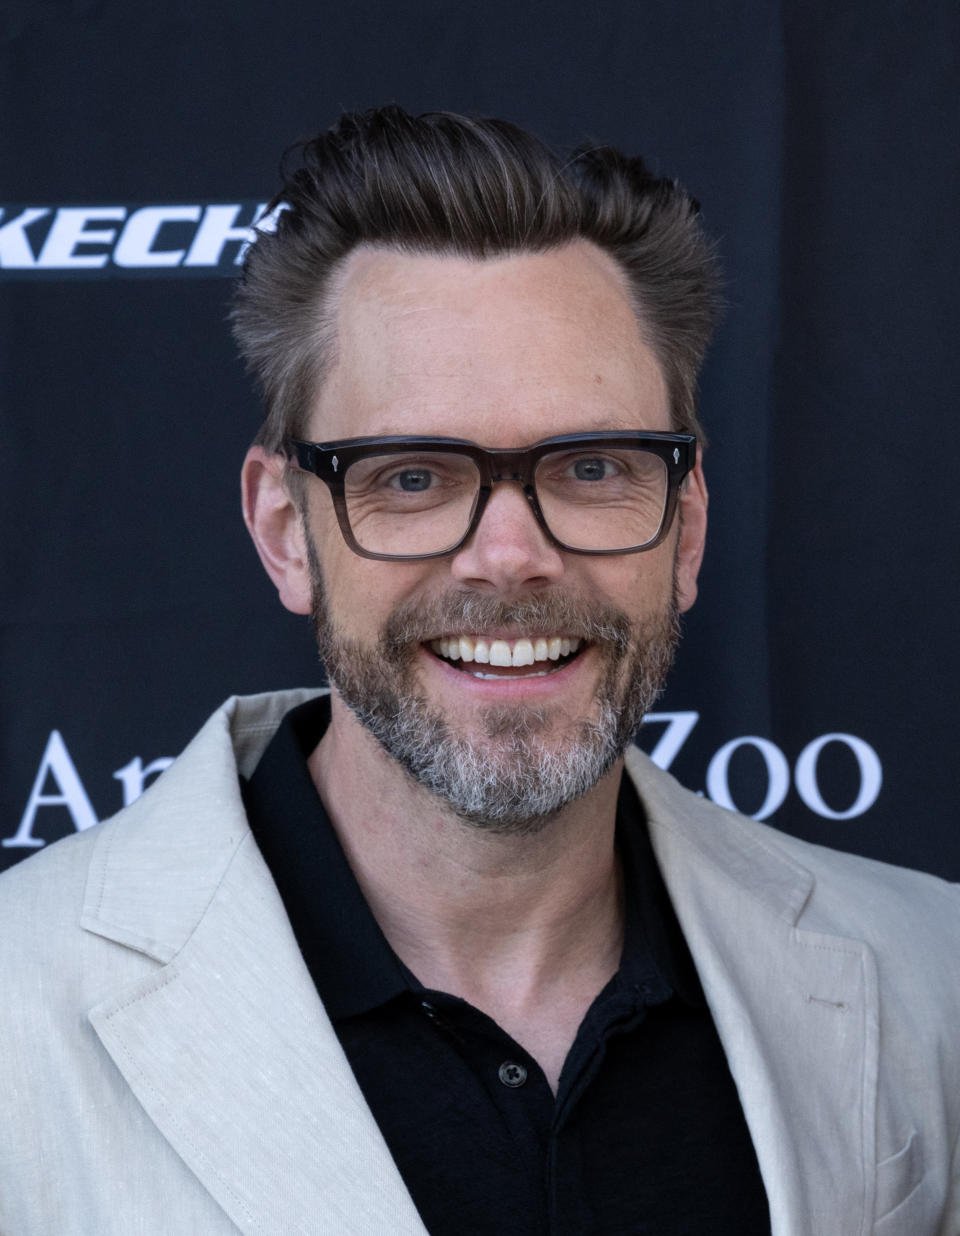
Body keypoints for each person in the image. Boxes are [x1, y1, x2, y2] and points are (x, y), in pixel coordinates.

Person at [1, 106, 958, 1236]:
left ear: (686, 529)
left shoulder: (929, 972)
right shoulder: (20, 1001)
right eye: (412, 478)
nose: (511, 556)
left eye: (594, 465)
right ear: (285, 530)